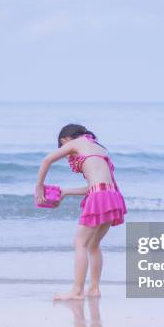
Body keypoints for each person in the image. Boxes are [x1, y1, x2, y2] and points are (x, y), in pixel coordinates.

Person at [35, 124, 127, 300]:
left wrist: (39, 186)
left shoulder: (76, 142)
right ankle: (94, 289)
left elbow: (46, 161)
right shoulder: (99, 149)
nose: (66, 152)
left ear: (66, 139)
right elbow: (99, 185)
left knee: (80, 243)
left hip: (99, 196)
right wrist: (66, 192)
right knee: (93, 245)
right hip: (112, 196)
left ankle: (76, 291)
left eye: (63, 146)